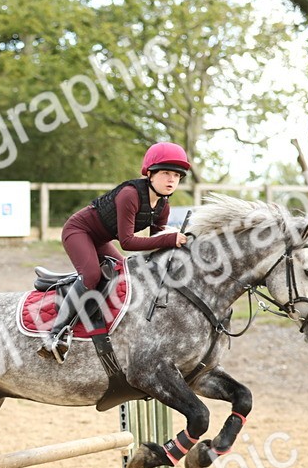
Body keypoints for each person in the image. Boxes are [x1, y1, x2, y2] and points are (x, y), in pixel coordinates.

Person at [38, 141, 192, 363]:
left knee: (126, 276)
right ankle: (54, 335)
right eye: (166, 173)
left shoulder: (163, 206)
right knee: (92, 275)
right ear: (149, 174)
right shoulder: (130, 194)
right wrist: (170, 238)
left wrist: (178, 243)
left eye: (177, 176)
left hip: (100, 239)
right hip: (78, 231)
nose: (171, 180)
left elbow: (157, 243)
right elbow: (127, 242)